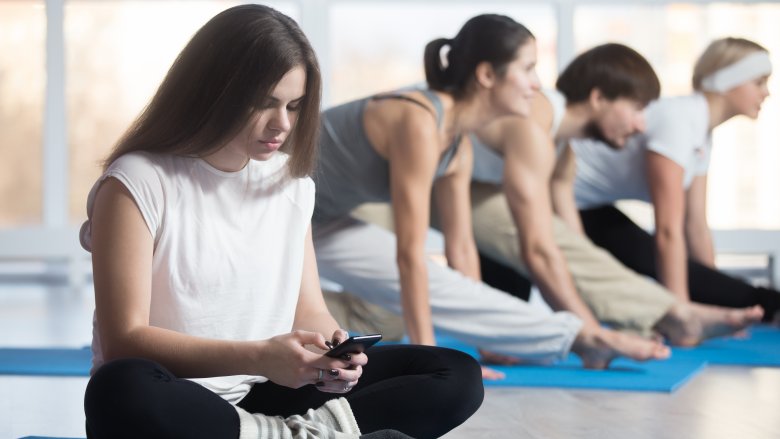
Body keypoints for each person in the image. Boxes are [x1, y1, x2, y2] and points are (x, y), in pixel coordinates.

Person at [79, 5, 484, 439]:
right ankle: (309, 433)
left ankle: (276, 434)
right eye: (265, 104)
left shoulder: (291, 183)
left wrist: (333, 353)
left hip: (262, 391)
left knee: (454, 373)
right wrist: (257, 357)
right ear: (213, 91)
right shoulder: (136, 180)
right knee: (119, 390)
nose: (283, 124)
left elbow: (307, 306)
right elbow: (124, 340)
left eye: (294, 105)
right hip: (179, 394)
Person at [313, 14, 671, 376]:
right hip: (276, 214)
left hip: (321, 224)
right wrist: (433, 364)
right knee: (411, 280)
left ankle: (584, 340)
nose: (536, 85)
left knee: (443, 284)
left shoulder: (459, 143)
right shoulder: (420, 121)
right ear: (486, 76)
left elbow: (462, 249)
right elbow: (410, 255)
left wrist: (484, 341)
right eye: (528, 69)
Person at [467, 43, 763, 347]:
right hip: (457, 184)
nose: (641, 124)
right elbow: (539, 250)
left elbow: (576, 249)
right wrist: (593, 334)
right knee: (543, 245)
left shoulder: (563, 155)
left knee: (575, 252)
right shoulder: (539, 121)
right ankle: (665, 319)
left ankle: (669, 316)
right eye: (636, 108)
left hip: (474, 185)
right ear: (598, 98)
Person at [572, 37, 779, 323]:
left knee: (669, 260)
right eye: (759, 82)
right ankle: (766, 306)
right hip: (569, 203)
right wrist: (688, 316)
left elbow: (695, 226)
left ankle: (754, 307)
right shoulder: (680, 120)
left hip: (591, 208)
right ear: (728, 81)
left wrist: (715, 307)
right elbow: (668, 230)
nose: (766, 93)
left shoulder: (702, 132)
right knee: (647, 253)